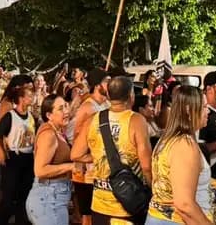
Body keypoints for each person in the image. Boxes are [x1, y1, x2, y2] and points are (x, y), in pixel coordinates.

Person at [71, 76, 152, 225]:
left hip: (99, 205)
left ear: (108, 95)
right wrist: (153, 189)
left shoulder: (93, 119)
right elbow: (146, 166)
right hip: (128, 203)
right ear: (131, 96)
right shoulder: (136, 120)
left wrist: (97, 156)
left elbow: (75, 154)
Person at [148, 86, 216, 225]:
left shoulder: (167, 139)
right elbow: (184, 205)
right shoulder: (184, 145)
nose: (208, 111)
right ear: (188, 110)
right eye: (204, 107)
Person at [67, 69, 111, 225]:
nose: (110, 85)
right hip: (87, 169)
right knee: (88, 215)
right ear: (98, 85)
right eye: (107, 81)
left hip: (103, 168)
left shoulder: (107, 104)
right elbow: (74, 134)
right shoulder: (87, 107)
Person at [25, 94, 74, 225]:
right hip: (48, 199)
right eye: (60, 109)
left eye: (66, 107)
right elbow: (40, 170)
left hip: (52, 197)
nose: (66, 111)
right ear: (49, 115)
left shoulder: (57, 130)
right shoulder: (49, 134)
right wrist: (71, 166)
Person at [0, 86, 36, 225]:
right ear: (21, 99)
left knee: (25, 194)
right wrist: (0, 151)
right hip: (14, 157)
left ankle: (21, 221)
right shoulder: (10, 116)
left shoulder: (31, 117)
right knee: (9, 194)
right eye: (29, 96)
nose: (32, 98)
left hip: (28, 158)